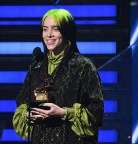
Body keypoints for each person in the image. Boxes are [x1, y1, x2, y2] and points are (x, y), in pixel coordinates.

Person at [12, 9, 104, 143]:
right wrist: (29, 115)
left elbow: (96, 113)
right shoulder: (36, 67)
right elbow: (21, 106)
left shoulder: (83, 66)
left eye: (55, 29)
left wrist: (64, 113)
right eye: (45, 29)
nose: (49, 35)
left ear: (67, 32)